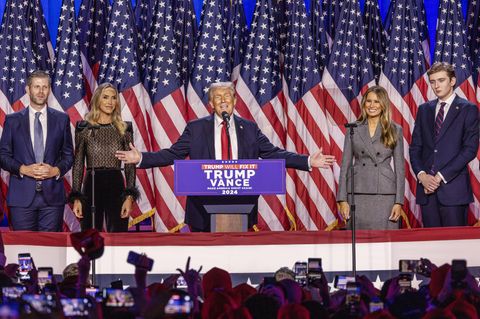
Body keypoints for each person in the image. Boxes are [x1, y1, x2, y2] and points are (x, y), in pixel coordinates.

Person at [115, 81, 335, 232]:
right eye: (217, 97)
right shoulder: (196, 128)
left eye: (227, 96)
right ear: (210, 104)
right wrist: (141, 158)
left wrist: (307, 161)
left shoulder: (248, 128)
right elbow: (173, 154)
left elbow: (272, 153)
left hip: (240, 204)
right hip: (203, 206)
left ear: (235, 101)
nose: (222, 100)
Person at [0, 70, 73, 231]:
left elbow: (68, 156)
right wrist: (22, 169)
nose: (41, 91)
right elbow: (3, 156)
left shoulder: (62, 119)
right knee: (24, 251)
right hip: (21, 198)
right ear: (28, 89)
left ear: (49, 90)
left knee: (51, 249)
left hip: (52, 199)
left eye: (45, 87)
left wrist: (55, 170)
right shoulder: (12, 121)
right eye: (36, 87)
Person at [409, 62, 479, 227]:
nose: (436, 85)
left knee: (454, 247)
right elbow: (415, 148)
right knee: (430, 247)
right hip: (427, 191)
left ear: (452, 81)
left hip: (453, 190)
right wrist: (422, 176)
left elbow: (469, 150)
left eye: (441, 80)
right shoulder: (424, 109)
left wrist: (439, 177)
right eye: (432, 82)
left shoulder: (468, 109)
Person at [69, 83, 138, 232]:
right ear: (97, 100)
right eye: (105, 97)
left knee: (119, 235)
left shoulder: (124, 128)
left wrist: (129, 197)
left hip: (116, 184)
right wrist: (76, 198)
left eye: (114, 98)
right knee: (90, 236)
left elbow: (130, 165)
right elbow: (79, 163)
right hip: (92, 184)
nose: (110, 102)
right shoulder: (84, 128)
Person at [337, 85, 405, 230]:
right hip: (357, 192)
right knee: (358, 244)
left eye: (377, 101)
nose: (372, 105)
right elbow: (345, 166)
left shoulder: (395, 129)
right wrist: (342, 199)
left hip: (385, 194)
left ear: (383, 104)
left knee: (385, 244)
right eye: (369, 101)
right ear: (364, 104)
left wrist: (399, 202)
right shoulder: (352, 128)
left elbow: (400, 170)